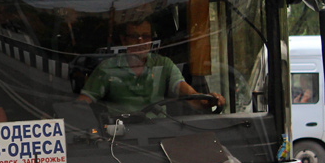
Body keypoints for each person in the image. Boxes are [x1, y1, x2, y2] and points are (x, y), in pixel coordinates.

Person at [78, 18, 224, 115]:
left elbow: (186, 92)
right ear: (124, 40)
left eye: (145, 36)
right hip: (120, 135)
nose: (140, 41)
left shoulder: (163, 64)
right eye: (134, 37)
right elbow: (82, 104)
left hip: (159, 132)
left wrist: (207, 101)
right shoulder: (108, 68)